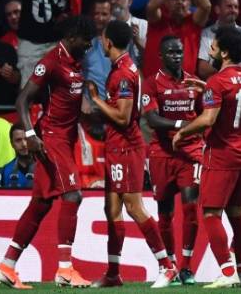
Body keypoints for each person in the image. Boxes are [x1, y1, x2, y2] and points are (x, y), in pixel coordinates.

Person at [0, 16, 97, 289]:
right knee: (73, 195)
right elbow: (22, 100)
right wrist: (30, 135)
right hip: (51, 139)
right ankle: (64, 269)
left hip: (66, 137)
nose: (89, 45)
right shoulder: (50, 62)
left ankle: (7, 265)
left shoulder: (75, 61)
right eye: (86, 39)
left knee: (40, 204)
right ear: (73, 36)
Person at [87, 20, 177, 288]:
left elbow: (124, 118)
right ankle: (113, 273)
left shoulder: (123, 73)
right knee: (111, 209)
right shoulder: (121, 68)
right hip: (116, 145)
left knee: (134, 206)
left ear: (108, 42)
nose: (101, 42)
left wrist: (97, 100)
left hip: (127, 146)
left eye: (103, 39)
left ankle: (167, 266)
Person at [172, 26, 241, 288]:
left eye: (214, 46)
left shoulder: (218, 83)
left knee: (209, 213)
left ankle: (227, 273)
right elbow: (232, 100)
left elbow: (209, 118)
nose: (210, 50)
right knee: (237, 214)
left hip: (220, 155)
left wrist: (183, 132)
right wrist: (206, 87)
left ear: (225, 52)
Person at [142, 35, 203, 285]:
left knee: (191, 207)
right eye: (171, 52)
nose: (177, 56)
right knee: (164, 213)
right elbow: (152, 120)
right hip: (162, 152)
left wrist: (192, 130)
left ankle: (187, 266)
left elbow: (205, 112)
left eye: (180, 52)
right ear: (161, 56)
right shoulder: (151, 83)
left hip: (191, 150)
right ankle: (171, 264)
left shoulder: (193, 82)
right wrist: (182, 124)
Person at [144, 0, 211, 77]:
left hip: (185, 86)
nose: (179, 2)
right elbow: (151, 6)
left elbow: (206, 6)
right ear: (166, 3)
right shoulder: (158, 20)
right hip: (155, 86)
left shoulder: (193, 22)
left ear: (190, 4)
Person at [197, 0, 241, 80]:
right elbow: (202, 69)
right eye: (229, 6)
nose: (233, 10)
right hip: (216, 84)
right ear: (217, 9)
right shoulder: (206, 33)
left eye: (236, 7)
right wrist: (228, 75)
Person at [108, 0, 148, 66]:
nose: (112, 1)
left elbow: (150, 56)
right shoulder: (106, 26)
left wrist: (137, 40)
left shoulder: (143, 24)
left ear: (129, 1)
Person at [2, 122, 35, 188]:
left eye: (27, 139)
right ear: (12, 143)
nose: (24, 144)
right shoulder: (6, 170)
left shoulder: (44, 168)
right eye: (18, 140)